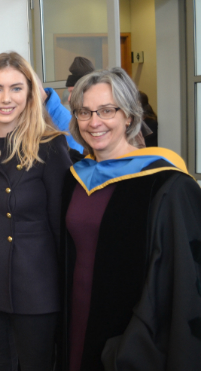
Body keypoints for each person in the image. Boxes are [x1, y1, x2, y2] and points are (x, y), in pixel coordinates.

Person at [60, 68, 201, 370]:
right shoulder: (75, 178)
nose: (94, 122)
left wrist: (140, 339)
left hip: (134, 332)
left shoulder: (167, 185)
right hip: (75, 316)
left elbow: (181, 277)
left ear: (129, 116)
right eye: (84, 112)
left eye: (107, 110)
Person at [0, 52, 72, 371]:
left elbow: (61, 223)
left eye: (16, 88)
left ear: (31, 93)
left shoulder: (50, 145)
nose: (5, 98)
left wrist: (66, 285)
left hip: (36, 284)